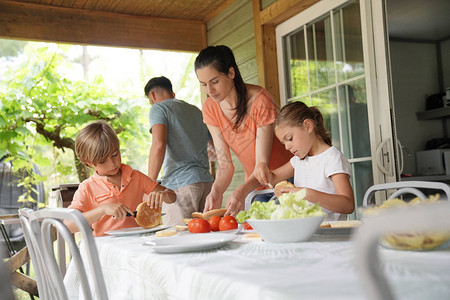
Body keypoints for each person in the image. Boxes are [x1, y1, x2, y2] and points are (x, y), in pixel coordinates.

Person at [194, 45, 292, 216]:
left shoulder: (259, 100)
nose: (209, 91)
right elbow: (224, 164)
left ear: (231, 73)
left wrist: (240, 192)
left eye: (214, 81)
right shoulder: (210, 108)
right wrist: (216, 191)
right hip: (257, 185)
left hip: (288, 179)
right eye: (203, 85)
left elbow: (263, 164)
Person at [67, 120, 176, 236]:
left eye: (115, 155)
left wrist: (163, 195)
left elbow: (172, 197)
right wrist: (102, 210)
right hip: (107, 248)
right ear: (88, 163)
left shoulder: (136, 176)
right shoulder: (87, 187)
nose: (112, 164)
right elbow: (69, 225)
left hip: (138, 242)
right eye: (103, 161)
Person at [144, 76, 213, 225]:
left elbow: (158, 144)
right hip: (206, 183)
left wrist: (149, 185)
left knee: (177, 238)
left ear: (153, 96)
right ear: (172, 93)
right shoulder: (196, 111)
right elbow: (212, 146)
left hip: (181, 185)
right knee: (204, 238)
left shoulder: (159, 108)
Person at [268, 101, 354, 221]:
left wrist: (307, 194)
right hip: (304, 232)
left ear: (308, 126)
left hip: (330, 233)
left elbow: (348, 205)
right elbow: (271, 178)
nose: (287, 147)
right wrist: (261, 168)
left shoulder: (332, 159)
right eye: (284, 143)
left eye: (290, 139)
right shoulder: (298, 161)